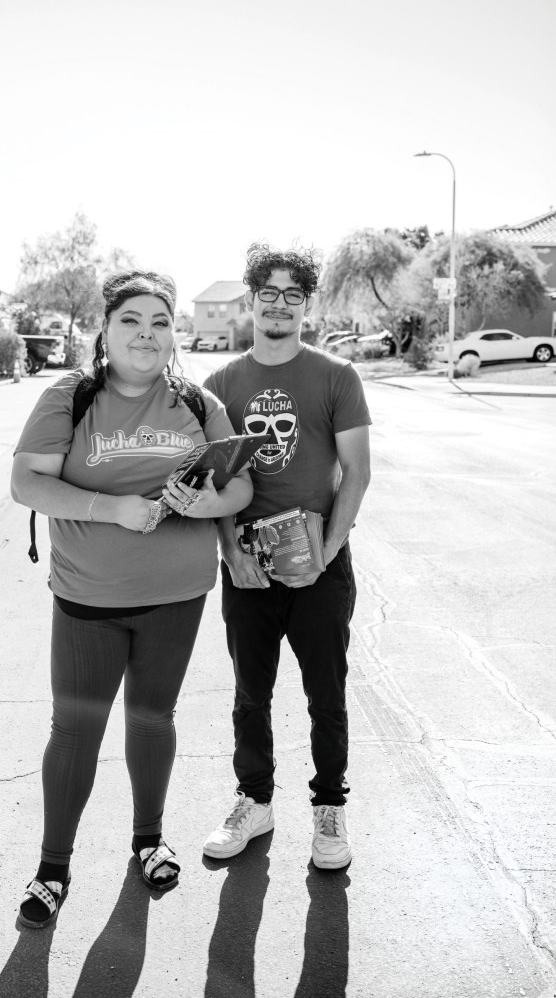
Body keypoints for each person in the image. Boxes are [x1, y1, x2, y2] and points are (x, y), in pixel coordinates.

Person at [10, 270, 253, 928]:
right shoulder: (71, 397)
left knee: (153, 719)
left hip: (177, 597)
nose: (147, 334)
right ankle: (52, 869)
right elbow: (26, 484)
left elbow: (240, 488)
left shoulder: (198, 404)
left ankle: (149, 840)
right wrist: (108, 507)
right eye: (131, 321)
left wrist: (209, 500)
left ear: (174, 335)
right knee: (76, 730)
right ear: (105, 331)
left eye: (160, 323)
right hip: (89, 597)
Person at [202, 243, 371, 870]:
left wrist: (326, 553)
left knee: (326, 693)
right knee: (251, 694)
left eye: (292, 294)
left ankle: (329, 810)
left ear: (307, 302)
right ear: (251, 301)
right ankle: (254, 801)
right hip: (249, 565)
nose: (279, 304)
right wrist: (229, 552)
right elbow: (215, 483)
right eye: (267, 293)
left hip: (321, 564)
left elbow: (356, 473)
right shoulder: (220, 385)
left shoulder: (335, 376)